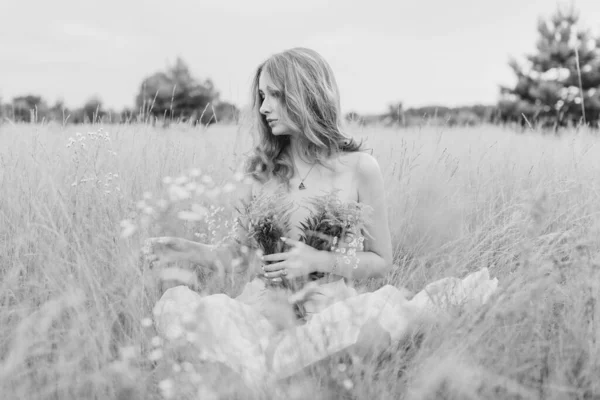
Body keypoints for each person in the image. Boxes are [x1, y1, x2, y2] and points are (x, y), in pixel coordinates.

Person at [142, 47, 498, 388]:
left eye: (274, 95)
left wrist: (318, 259)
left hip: (329, 308)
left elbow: (380, 260)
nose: (264, 107)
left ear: (306, 95)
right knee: (195, 318)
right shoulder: (258, 171)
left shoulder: (359, 168)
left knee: (352, 342)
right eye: (261, 96)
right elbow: (238, 255)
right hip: (266, 308)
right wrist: (186, 249)